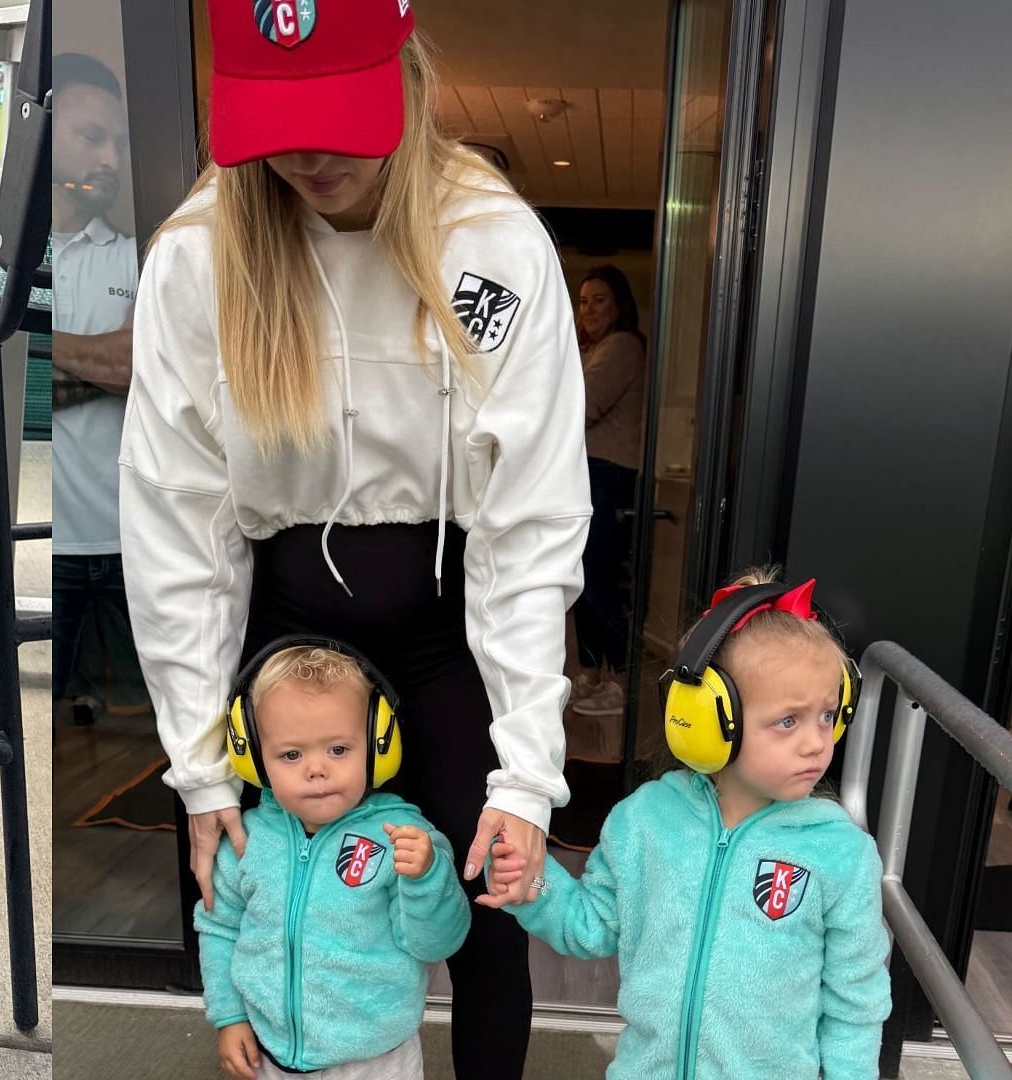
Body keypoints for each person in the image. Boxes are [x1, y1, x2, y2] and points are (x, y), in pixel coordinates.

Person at [119, 4, 591, 1074]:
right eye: (275, 121)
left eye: (336, 112)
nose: (308, 153)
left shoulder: (494, 245)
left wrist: (526, 776)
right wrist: (199, 769)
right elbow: (176, 532)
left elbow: (527, 529)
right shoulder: (198, 260)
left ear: (408, 72)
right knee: (251, 894)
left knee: (488, 910)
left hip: (446, 629)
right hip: (277, 620)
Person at [485, 572, 891, 1077]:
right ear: (706, 718)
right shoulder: (645, 822)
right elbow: (589, 925)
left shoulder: (839, 852)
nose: (817, 742)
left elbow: (856, 999)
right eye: (788, 721)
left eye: (828, 715)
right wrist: (534, 883)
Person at [198, 641, 468, 1080]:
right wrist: (229, 1018)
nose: (316, 769)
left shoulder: (402, 836)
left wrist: (426, 878)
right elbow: (218, 928)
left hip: (377, 1059)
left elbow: (436, 943)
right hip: (270, 1054)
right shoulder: (247, 841)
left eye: (339, 750)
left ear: (378, 746)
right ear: (252, 758)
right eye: (291, 754)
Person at [49, 52, 139, 723]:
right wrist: (98, 365)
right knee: (41, 726)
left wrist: (42, 354)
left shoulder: (141, 257)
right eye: (91, 138)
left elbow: (138, 367)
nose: (110, 157)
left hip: (131, 545)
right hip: (42, 547)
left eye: (119, 141)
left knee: (137, 748)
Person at [569, 265, 647, 718]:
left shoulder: (622, 345)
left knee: (596, 580)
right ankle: (595, 675)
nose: (590, 309)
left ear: (618, 304)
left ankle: (619, 679)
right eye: (583, 301)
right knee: (583, 579)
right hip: (589, 470)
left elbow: (580, 405)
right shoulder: (591, 348)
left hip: (608, 472)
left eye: (599, 299)